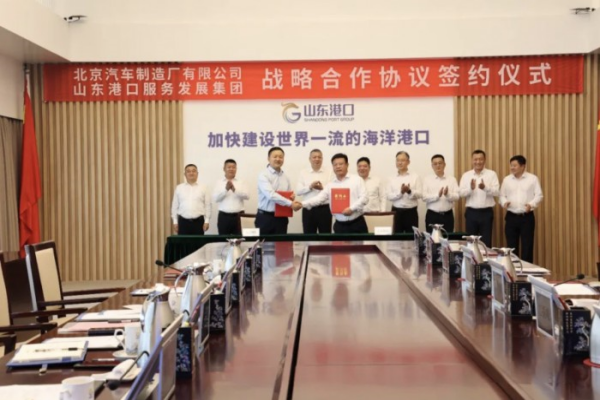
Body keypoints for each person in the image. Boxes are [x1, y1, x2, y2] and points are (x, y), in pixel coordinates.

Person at [292, 153, 368, 234]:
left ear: (347, 165)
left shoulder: (357, 180)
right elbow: (318, 199)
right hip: (339, 226)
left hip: (356, 223)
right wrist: (301, 204)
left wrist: (352, 209)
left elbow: (365, 198)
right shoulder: (331, 185)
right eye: (335, 165)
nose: (338, 166)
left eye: (341, 164)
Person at [499, 155, 543, 263]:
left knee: (527, 247)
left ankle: (526, 271)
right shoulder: (507, 179)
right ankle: (513, 271)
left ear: (523, 166)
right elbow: (501, 196)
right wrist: (504, 202)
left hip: (526, 217)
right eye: (511, 165)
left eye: (515, 165)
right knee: (511, 247)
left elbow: (539, 195)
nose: (512, 168)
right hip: (511, 217)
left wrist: (531, 204)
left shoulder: (532, 179)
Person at [459, 149, 499, 247]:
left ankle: (485, 257)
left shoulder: (492, 174)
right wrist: (470, 189)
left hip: (486, 213)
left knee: (486, 242)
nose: (478, 162)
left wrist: (485, 188)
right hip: (471, 213)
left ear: (485, 160)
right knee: (471, 243)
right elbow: (461, 193)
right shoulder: (466, 175)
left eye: (480, 159)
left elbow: (497, 192)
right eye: (475, 159)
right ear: (472, 160)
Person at [256, 147, 294, 235]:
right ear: (268, 158)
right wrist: (290, 203)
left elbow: (288, 194)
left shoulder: (285, 177)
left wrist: (291, 198)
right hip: (265, 217)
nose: (278, 159)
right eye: (275, 156)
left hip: (282, 218)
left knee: (281, 243)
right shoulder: (263, 175)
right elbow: (271, 195)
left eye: (281, 157)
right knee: (263, 243)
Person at [295, 149, 332, 233]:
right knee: (308, 236)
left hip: (324, 209)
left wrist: (323, 188)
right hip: (308, 209)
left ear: (322, 159)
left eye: (319, 157)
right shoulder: (303, 173)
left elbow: (332, 190)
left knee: (326, 236)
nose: (317, 159)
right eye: (314, 157)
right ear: (310, 159)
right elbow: (298, 191)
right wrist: (310, 187)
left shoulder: (329, 172)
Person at [171, 164, 211, 235]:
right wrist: (175, 222)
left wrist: (207, 221)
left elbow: (208, 205)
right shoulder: (179, 188)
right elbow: (175, 206)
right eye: (188, 171)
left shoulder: (204, 188)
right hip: (183, 222)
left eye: (193, 171)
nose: (191, 173)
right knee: (183, 242)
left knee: (198, 242)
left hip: (199, 222)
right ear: (185, 174)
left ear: (197, 174)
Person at [422, 154, 459, 232]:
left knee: (448, 238)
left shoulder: (452, 179)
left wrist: (448, 194)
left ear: (444, 164)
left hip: (447, 215)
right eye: (435, 164)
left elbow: (457, 197)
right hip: (432, 215)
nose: (438, 165)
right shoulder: (427, 179)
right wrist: (437, 195)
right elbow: (424, 197)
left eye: (440, 163)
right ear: (432, 166)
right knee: (432, 238)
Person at [387, 151, 421, 233]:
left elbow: (420, 194)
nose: (400, 163)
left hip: (411, 212)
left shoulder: (415, 177)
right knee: (396, 238)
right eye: (398, 160)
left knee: (412, 237)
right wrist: (401, 192)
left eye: (402, 160)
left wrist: (409, 191)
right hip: (396, 212)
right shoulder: (391, 178)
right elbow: (389, 196)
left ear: (408, 162)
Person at [212, 159, 249, 235]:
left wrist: (235, 190)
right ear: (224, 169)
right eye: (229, 167)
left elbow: (247, 196)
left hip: (239, 216)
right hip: (224, 216)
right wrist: (226, 189)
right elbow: (216, 198)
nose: (231, 169)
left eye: (233, 167)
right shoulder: (219, 182)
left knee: (240, 239)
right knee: (223, 240)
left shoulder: (241, 182)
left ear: (236, 169)